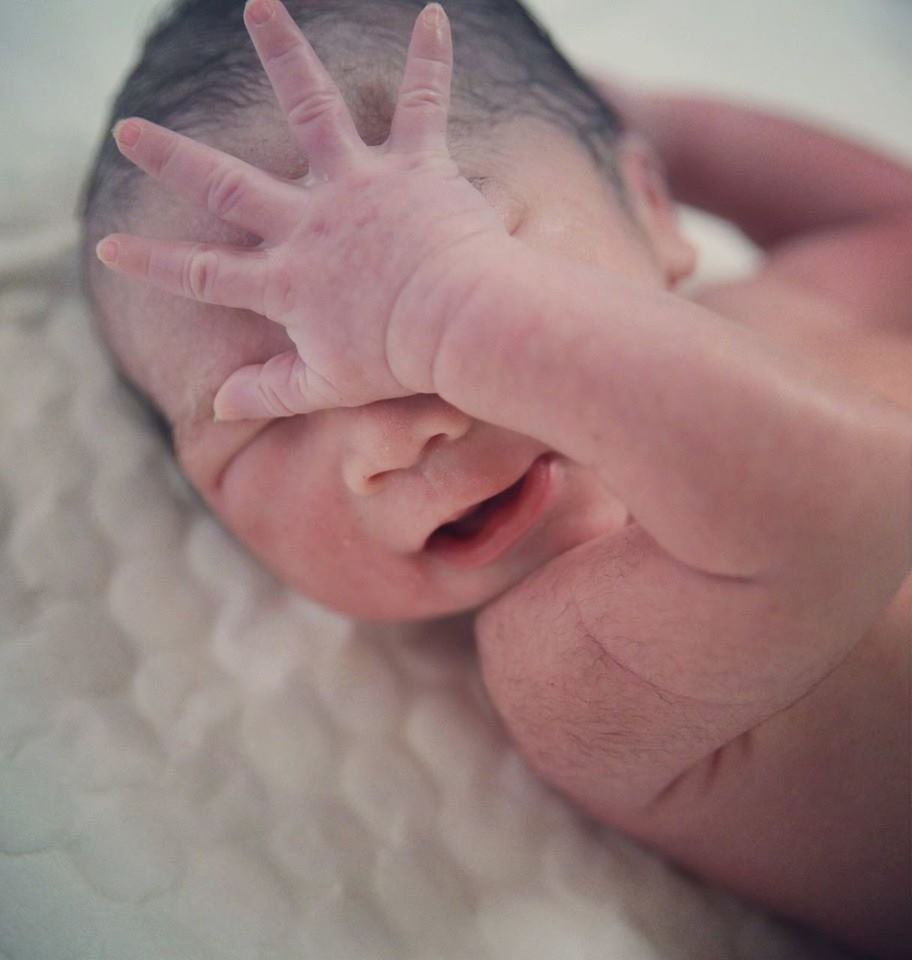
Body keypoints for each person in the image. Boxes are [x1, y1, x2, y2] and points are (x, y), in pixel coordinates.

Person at [80, 1, 912, 955]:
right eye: (271, 403)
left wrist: (670, 128)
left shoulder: (802, 294)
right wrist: (450, 303)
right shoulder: (576, 662)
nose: (405, 428)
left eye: (456, 248)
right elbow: (846, 507)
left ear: (652, 207)